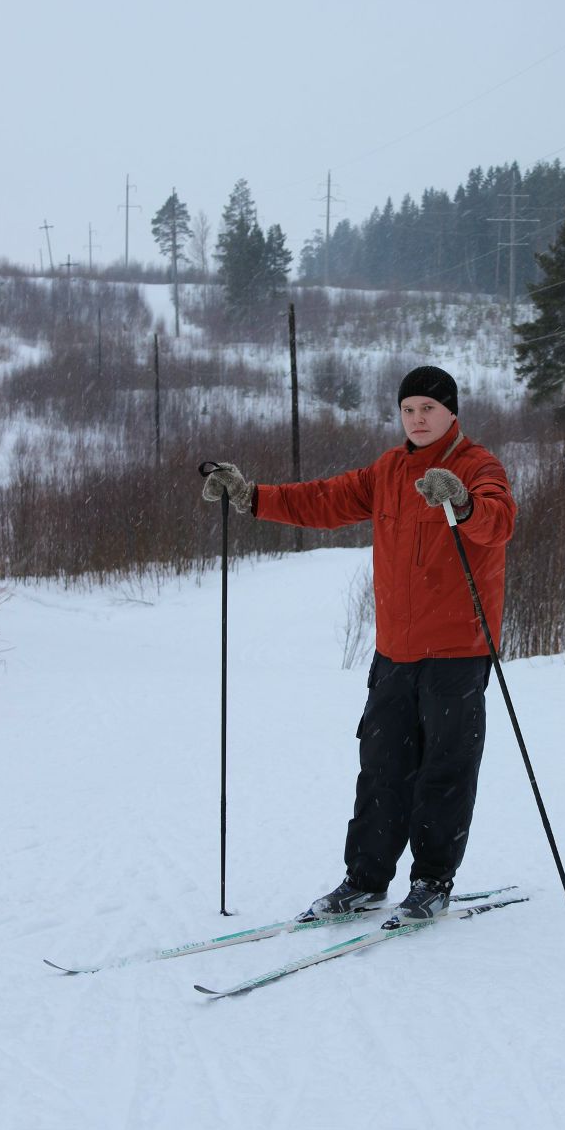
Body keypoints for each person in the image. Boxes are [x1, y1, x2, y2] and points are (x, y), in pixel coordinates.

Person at [202, 365, 516, 923]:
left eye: (429, 409)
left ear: (452, 413)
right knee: (381, 769)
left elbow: (498, 521)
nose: (418, 419)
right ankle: (365, 881)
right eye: (409, 409)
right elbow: (323, 500)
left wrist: (462, 503)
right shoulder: (389, 470)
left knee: (445, 769)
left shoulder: (478, 466)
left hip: (457, 652)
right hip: (394, 652)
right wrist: (252, 497)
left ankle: (432, 882)